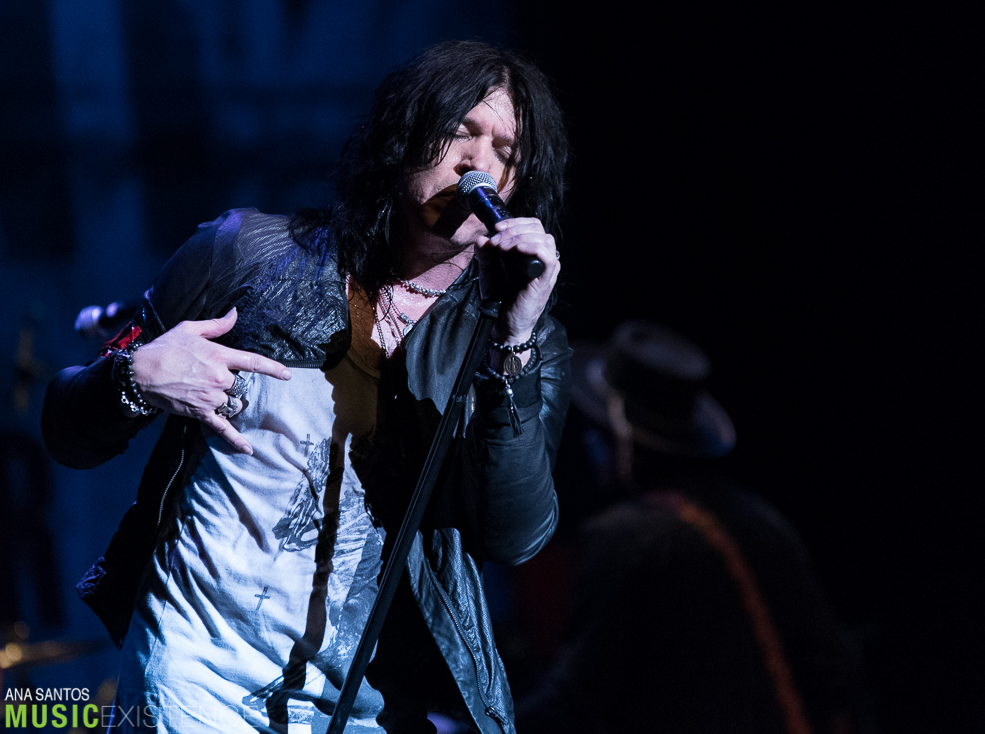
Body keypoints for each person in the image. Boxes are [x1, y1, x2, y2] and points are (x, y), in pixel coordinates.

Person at [41, 41, 570, 734]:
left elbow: (515, 534)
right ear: (405, 134)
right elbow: (67, 429)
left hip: (359, 705)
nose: (479, 163)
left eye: (507, 150)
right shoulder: (244, 253)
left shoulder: (514, 341)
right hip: (191, 683)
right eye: (461, 131)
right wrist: (134, 378)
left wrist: (515, 343)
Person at [515, 321, 865, 734]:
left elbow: (581, 693)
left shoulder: (626, 537)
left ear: (612, 434)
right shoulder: (763, 520)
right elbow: (834, 673)